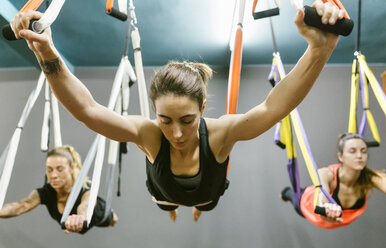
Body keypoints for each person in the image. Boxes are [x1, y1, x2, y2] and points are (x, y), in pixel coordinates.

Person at [10, 0, 343, 222]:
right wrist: (47, 53)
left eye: (187, 120)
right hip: (162, 194)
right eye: (164, 120)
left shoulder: (220, 133)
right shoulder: (147, 134)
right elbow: (86, 109)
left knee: (203, 205)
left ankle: (197, 210)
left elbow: (276, 106)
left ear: (202, 108)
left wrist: (320, 49)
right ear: (154, 114)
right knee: (167, 205)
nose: (177, 133)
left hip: (210, 195)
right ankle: (174, 209)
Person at [0, 145, 118, 234]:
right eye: (49, 170)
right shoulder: (47, 192)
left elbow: (85, 206)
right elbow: (22, 206)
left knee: (113, 220)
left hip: (101, 215)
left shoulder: (85, 190)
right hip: (75, 222)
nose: (53, 175)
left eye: (60, 169)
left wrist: (80, 217)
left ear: (71, 168)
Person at [281, 133, 386, 228]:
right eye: (352, 151)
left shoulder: (371, 177)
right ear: (340, 156)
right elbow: (321, 204)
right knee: (292, 195)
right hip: (306, 204)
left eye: (364, 151)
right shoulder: (326, 174)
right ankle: (286, 192)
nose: (359, 156)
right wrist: (326, 211)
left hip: (335, 218)